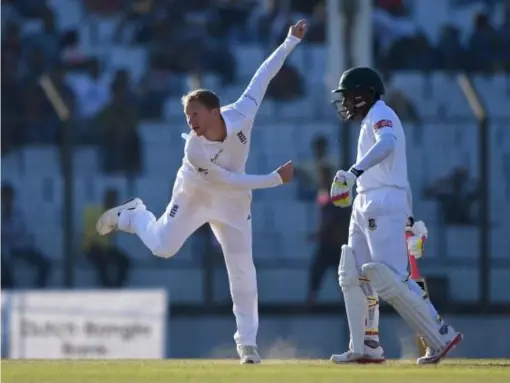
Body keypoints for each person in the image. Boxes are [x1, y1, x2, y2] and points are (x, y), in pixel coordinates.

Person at [95, 20, 307, 364]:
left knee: (242, 269)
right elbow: (226, 180)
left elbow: (264, 76)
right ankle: (135, 216)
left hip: (234, 204)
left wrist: (289, 42)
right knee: (163, 248)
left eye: (194, 114)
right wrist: (273, 179)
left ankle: (247, 344)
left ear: (213, 111)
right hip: (194, 196)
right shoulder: (194, 150)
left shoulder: (241, 113)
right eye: (185, 115)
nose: (189, 121)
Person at [328, 67, 463, 365]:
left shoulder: (381, 113)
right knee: (352, 273)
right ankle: (366, 345)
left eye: (349, 96)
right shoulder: (369, 121)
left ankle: (441, 335)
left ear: (366, 94)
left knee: (389, 278)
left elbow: (388, 144)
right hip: (367, 200)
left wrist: (353, 172)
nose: (346, 103)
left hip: (382, 201)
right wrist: (411, 218)